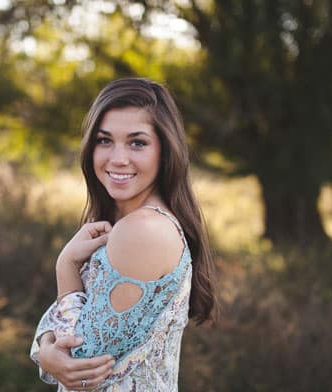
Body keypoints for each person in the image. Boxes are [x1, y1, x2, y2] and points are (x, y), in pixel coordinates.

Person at [30, 77, 217, 391]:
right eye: (104, 140)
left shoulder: (144, 230)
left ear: (165, 150)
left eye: (137, 143)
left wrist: (66, 266)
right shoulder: (124, 222)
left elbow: (79, 361)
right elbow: (71, 339)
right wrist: (45, 348)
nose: (117, 158)